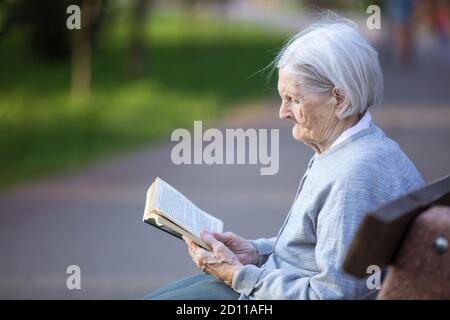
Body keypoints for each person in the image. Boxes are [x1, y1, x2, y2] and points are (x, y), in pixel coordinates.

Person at [145, 17, 424, 300]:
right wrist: (255, 252)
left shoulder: (353, 178)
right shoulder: (352, 147)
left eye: (294, 99)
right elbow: (314, 249)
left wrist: (239, 275)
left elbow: (329, 297)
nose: (282, 112)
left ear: (339, 99)